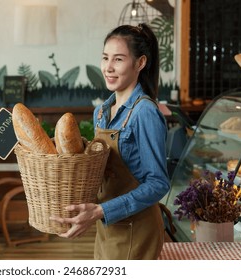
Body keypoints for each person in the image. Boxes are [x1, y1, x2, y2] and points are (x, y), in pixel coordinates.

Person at [50, 23, 170, 259]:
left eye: (118, 59)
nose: (108, 68)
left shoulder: (144, 112)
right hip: (108, 225)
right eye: (105, 58)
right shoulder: (102, 112)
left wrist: (102, 210)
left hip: (137, 229)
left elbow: (158, 183)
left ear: (140, 63)